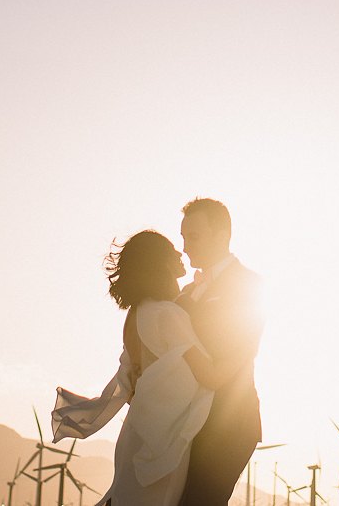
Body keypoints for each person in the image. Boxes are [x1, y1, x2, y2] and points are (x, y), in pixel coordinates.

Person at [52, 231, 214, 506]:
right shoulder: (169, 314)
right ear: (160, 261)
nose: (179, 253)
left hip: (138, 431)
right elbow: (207, 373)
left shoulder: (136, 314)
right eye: (172, 249)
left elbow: (132, 381)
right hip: (163, 440)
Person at [174, 198, 264, 506]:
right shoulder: (186, 292)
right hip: (190, 422)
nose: (184, 247)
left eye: (193, 237)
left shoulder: (249, 285)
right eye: (183, 237)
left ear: (222, 234)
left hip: (229, 423)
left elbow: (230, 357)